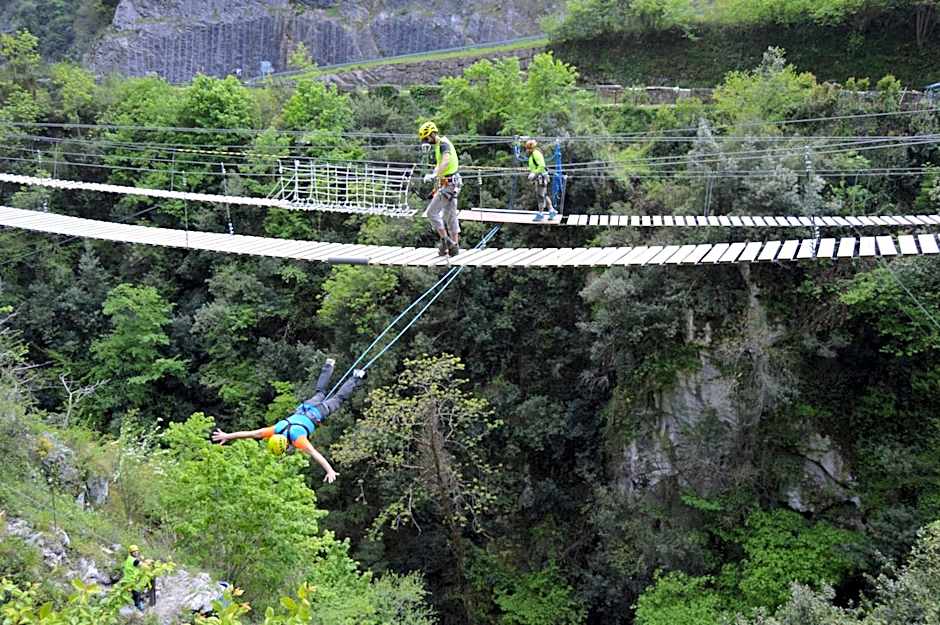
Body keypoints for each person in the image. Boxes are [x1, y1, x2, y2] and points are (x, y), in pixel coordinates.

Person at [211, 358, 365, 483]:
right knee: (320, 392)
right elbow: (249, 433)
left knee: (338, 398)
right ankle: (329, 365)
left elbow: (315, 454)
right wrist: (227, 436)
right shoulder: (275, 430)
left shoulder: (298, 440)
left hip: (318, 412)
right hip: (306, 407)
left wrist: (329, 470)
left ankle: (356, 376)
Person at [418, 121, 462, 257]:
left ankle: (447, 241)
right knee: (450, 216)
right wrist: (434, 173)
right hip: (452, 183)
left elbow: (446, 161)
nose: (426, 141)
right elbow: (440, 164)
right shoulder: (441, 144)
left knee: (431, 213)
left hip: (449, 184)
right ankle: (454, 248)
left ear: (432, 134)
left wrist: (435, 175)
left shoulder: (443, 145)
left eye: (427, 138)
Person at [524, 139, 556, 221]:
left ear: (530, 148)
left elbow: (542, 165)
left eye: (527, 148)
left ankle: (541, 213)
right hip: (540, 176)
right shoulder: (533, 155)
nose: (526, 150)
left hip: (540, 177)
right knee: (544, 194)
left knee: (540, 195)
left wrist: (534, 173)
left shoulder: (535, 154)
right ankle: (551, 210)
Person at [122, 545, 156, 611]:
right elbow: (142, 565)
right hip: (131, 580)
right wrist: (150, 566)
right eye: (134, 552)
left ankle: (138, 603)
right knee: (136, 593)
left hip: (129, 579)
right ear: (131, 553)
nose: (136, 553)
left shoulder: (130, 558)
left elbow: (139, 562)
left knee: (136, 592)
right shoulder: (133, 561)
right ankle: (138, 607)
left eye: (137, 551)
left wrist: (143, 560)